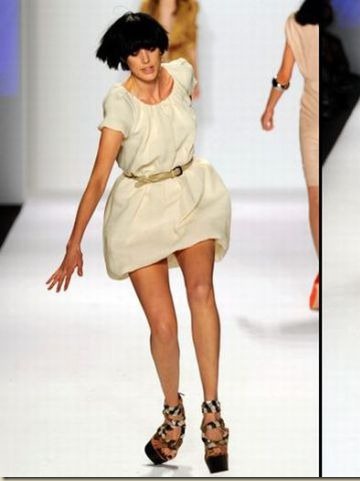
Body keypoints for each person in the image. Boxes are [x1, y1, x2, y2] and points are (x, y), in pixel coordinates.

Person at [45, 12, 230, 473]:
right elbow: (98, 178)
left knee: (202, 292)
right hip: (141, 208)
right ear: (121, 58)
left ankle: (213, 413)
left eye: (150, 47)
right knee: (163, 326)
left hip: (191, 195)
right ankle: (173, 413)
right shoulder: (120, 103)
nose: (145, 58)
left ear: (161, 47)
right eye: (133, 52)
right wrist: (73, 244)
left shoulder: (182, 74)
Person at [261, 0, 320, 310]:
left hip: (326, 108)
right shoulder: (297, 23)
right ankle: (324, 271)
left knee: (323, 196)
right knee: (316, 196)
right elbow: (284, 74)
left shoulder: (333, 20)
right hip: (313, 114)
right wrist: (270, 107)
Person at [140, 0, 201, 99]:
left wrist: (195, 80)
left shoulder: (188, 8)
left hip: (180, 74)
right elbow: (140, 46)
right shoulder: (147, 8)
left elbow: (191, 45)